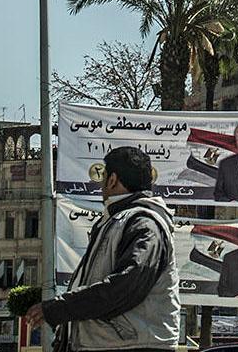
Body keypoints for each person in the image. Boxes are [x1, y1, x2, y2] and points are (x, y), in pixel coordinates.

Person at [25, 146, 181, 351]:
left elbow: (125, 286)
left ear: (113, 180)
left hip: (132, 346)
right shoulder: (118, 221)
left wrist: (60, 308)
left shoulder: (144, 225)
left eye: (103, 177)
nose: (100, 186)